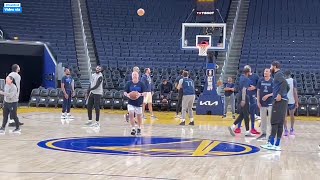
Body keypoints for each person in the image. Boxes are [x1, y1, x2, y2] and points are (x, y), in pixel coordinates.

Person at [261, 61, 289, 151]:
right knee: (280, 123)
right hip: (284, 102)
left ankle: (271, 143)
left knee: (274, 122)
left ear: (274, 66)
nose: (270, 68)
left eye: (271, 67)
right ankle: (277, 144)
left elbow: (285, 84)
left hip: (279, 102)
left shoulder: (278, 74)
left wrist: (280, 94)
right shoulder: (280, 75)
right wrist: (283, 95)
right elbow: (287, 87)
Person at [228, 66, 255, 137]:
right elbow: (244, 89)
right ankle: (247, 131)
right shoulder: (247, 79)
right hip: (244, 97)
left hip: (239, 96)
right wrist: (243, 99)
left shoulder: (241, 77)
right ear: (248, 72)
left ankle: (233, 126)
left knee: (243, 114)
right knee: (246, 115)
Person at [236, 65, 260, 134]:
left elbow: (259, 85)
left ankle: (252, 128)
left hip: (252, 97)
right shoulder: (242, 77)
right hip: (245, 97)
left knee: (252, 113)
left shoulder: (255, 76)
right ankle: (238, 128)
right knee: (242, 113)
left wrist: (254, 87)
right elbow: (240, 87)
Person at [124, 71, 147, 135]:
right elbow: (125, 92)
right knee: (131, 114)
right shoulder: (128, 83)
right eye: (133, 74)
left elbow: (145, 93)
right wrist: (128, 95)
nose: (134, 75)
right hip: (130, 102)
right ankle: (133, 128)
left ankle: (139, 128)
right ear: (131, 76)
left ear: (138, 76)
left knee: (139, 117)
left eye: (135, 74)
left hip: (139, 103)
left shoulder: (141, 84)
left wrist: (140, 94)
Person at [256, 68, 273, 141]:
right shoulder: (260, 80)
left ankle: (271, 134)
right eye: (264, 71)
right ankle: (263, 133)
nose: (265, 72)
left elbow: (275, 92)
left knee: (270, 119)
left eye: (267, 71)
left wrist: (267, 95)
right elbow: (258, 91)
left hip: (270, 103)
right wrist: (258, 101)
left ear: (270, 73)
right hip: (262, 103)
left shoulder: (273, 81)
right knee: (263, 119)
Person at [284, 70, 299, 136]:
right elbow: (295, 92)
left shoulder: (283, 81)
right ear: (290, 74)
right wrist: (296, 101)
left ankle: (285, 130)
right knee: (292, 115)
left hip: (284, 100)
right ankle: (292, 129)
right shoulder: (293, 81)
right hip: (291, 100)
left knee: (284, 116)